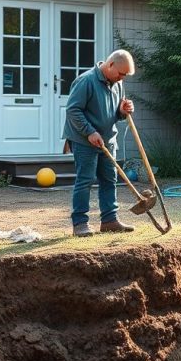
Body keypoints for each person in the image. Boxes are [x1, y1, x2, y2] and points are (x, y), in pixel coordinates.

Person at [63, 50, 137, 237]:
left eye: (125, 75)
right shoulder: (86, 81)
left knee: (109, 180)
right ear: (111, 65)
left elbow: (115, 114)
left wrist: (122, 110)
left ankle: (110, 220)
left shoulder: (117, 83)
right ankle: (80, 223)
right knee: (85, 180)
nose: (122, 78)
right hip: (84, 141)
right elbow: (73, 110)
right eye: (121, 73)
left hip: (108, 140)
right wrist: (89, 132)